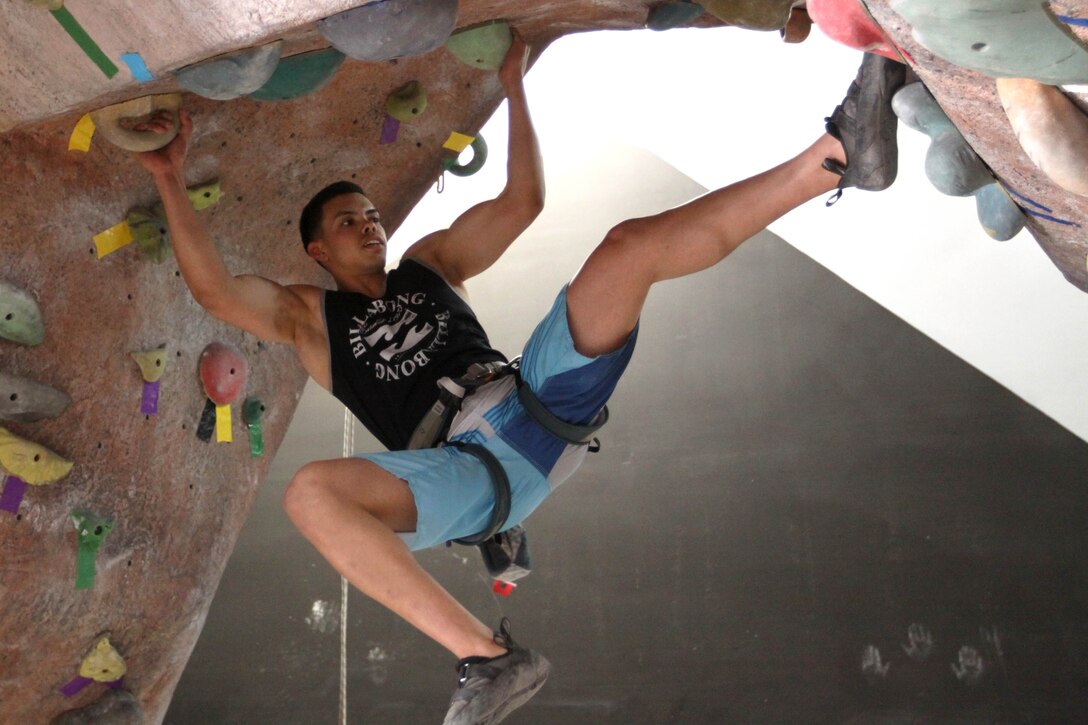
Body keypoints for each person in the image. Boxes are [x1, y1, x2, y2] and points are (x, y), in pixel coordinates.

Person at [135, 28, 904, 724]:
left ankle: (837, 156)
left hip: (530, 400)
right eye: (347, 222)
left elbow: (524, 202)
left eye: (369, 213)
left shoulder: (430, 263)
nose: (368, 224)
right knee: (309, 493)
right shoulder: (309, 319)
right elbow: (214, 290)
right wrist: (170, 177)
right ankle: (488, 658)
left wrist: (515, 85)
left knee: (626, 248)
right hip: (462, 472)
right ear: (317, 254)